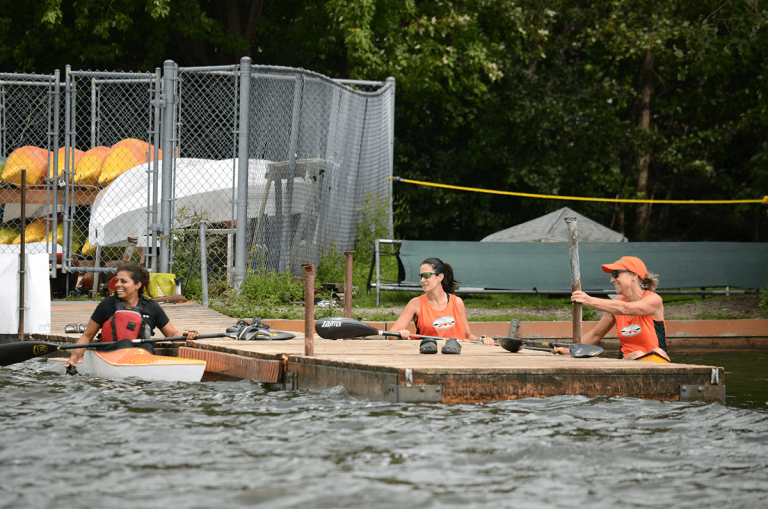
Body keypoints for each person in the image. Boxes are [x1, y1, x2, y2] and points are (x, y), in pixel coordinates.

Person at [64, 264, 199, 375]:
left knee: (147, 346)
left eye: (123, 281)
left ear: (137, 285)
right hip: (108, 355)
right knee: (126, 344)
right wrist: (73, 361)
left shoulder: (151, 307)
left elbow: (172, 334)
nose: (117, 285)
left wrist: (187, 335)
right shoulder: (107, 304)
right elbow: (87, 336)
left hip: (139, 360)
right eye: (117, 280)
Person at [553, 256, 670, 361]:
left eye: (616, 274)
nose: (612, 280)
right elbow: (595, 335)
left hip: (655, 361)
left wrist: (589, 300)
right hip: (627, 362)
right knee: (636, 354)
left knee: (658, 352)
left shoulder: (654, 300)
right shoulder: (616, 304)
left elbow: (626, 309)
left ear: (634, 275)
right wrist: (569, 349)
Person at [390, 257, 495, 354]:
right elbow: (392, 334)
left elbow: (468, 336)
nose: (422, 280)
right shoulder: (415, 303)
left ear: (440, 277)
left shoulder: (457, 302)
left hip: (458, 356)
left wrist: (482, 339)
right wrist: (401, 334)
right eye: (420, 276)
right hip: (429, 356)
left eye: (426, 275)